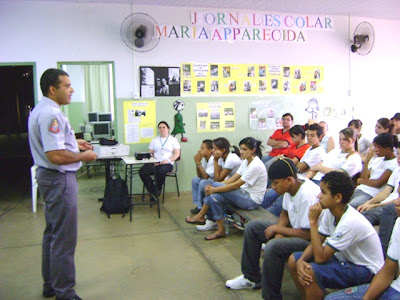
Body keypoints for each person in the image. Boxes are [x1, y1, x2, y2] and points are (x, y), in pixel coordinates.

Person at [28, 68, 98, 300]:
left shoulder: (43, 109)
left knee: (53, 234)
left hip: (49, 178)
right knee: (64, 239)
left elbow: (56, 144)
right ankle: (65, 292)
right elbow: (55, 156)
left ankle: (50, 285)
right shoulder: (52, 115)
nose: (72, 89)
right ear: (52, 89)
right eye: (67, 85)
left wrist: (73, 142)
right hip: (59, 179)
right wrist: (82, 157)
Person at [225, 158, 320, 300]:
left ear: (289, 180)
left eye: (276, 183)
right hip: (295, 230)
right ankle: (251, 278)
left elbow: (307, 234)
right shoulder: (291, 187)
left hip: (312, 241)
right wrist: (279, 230)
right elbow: (285, 212)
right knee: (253, 227)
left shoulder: (308, 195)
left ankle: (271, 296)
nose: (273, 187)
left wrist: (279, 230)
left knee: (274, 247)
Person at [288, 171, 384, 300]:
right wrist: (301, 260)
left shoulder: (350, 222)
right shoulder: (330, 211)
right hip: (345, 259)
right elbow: (319, 240)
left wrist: (313, 222)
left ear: (338, 197)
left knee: (310, 271)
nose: (318, 196)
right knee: (294, 261)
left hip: (366, 270)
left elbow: (320, 258)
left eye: (323, 192)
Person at [185, 137, 268, 240]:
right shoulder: (246, 162)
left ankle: (201, 214)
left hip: (251, 200)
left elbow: (236, 185)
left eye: (244, 149)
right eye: (241, 149)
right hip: (242, 193)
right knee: (214, 197)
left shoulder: (256, 165)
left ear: (253, 150)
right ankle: (220, 230)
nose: (241, 152)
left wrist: (214, 188)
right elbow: (232, 179)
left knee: (213, 188)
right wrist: (214, 187)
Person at [325, 197, 400, 299]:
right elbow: (387, 271)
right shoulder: (399, 223)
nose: (396, 202)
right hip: (395, 288)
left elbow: (320, 257)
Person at [192, 137, 242, 228]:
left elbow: (217, 179)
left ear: (223, 150)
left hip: (239, 187)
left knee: (206, 185)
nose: (213, 151)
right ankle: (206, 214)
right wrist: (198, 163)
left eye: (215, 149)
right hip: (229, 182)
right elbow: (217, 178)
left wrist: (215, 160)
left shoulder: (231, 159)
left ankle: (204, 214)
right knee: (205, 184)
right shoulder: (221, 158)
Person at [349, 133, 398, 208]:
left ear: (387, 149)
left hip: (371, 194)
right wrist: (366, 162)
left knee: (350, 207)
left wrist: (360, 180)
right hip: (360, 189)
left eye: (378, 148)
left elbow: (378, 183)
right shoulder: (378, 159)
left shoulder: (394, 163)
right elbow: (365, 178)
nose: (375, 150)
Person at [356, 143, 400, 227]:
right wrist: (368, 203)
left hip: (392, 206)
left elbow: (397, 201)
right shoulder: (397, 170)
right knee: (359, 210)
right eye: (398, 154)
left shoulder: (392, 167)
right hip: (384, 203)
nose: (398, 158)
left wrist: (375, 205)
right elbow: (385, 192)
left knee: (363, 217)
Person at [139, 121, 180, 198]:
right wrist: (153, 160)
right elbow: (150, 152)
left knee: (160, 171)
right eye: (160, 128)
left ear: (168, 129)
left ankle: (157, 189)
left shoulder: (173, 140)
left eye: (163, 127)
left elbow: (176, 154)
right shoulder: (154, 140)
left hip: (167, 163)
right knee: (142, 171)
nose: (161, 129)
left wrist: (167, 160)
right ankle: (154, 191)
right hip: (155, 162)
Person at [190, 139, 214, 214]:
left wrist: (198, 163)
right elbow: (199, 175)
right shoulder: (205, 159)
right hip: (207, 179)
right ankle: (198, 204)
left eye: (202, 148)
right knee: (195, 179)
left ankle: (201, 207)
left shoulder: (213, 159)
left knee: (203, 182)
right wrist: (197, 163)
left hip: (215, 181)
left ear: (210, 150)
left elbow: (206, 177)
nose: (200, 150)